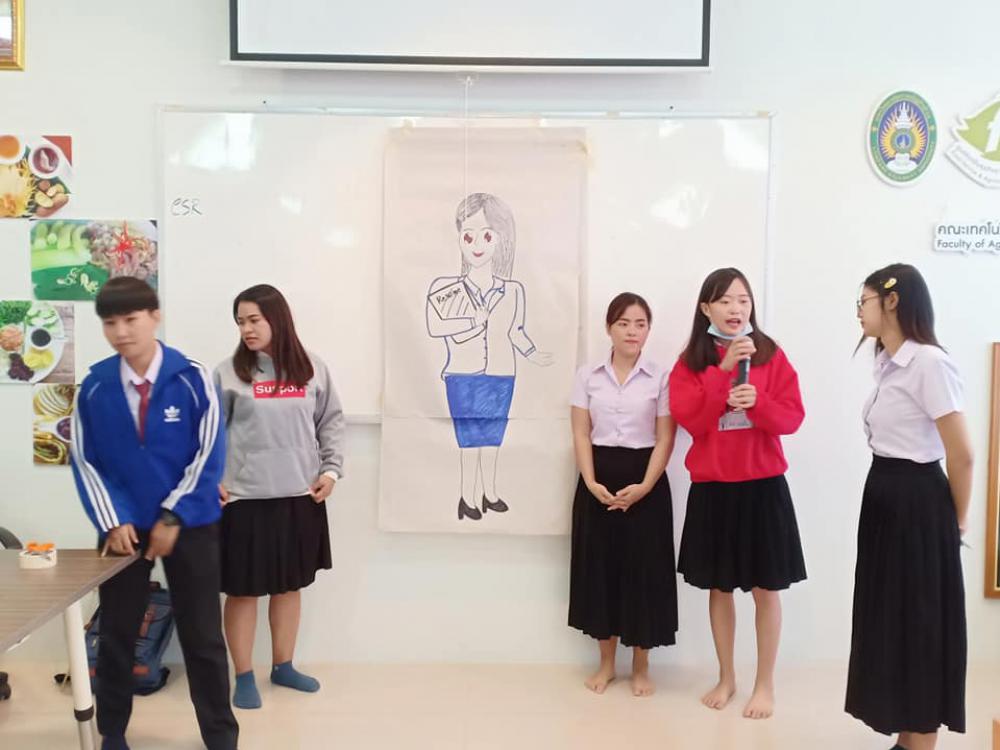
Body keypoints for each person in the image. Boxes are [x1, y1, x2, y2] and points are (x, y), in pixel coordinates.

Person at [70, 277, 238, 750]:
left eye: (131, 319)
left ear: (154, 316)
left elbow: (209, 453)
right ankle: (112, 732)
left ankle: (221, 737)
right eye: (110, 323)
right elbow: (85, 460)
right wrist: (112, 520)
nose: (121, 332)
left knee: (203, 635)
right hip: (121, 529)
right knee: (116, 632)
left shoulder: (192, 377)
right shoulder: (96, 386)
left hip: (190, 524)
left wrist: (171, 516)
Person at [668, 267, 806, 720]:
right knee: (719, 586)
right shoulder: (690, 362)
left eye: (743, 300)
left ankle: (764, 684)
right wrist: (722, 373)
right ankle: (726, 677)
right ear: (706, 308)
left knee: (767, 589)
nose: (735, 308)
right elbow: (690, 419)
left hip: (763, 488)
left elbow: (792, 418)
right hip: (714, 489)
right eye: (725, 300)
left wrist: (758, 404)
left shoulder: (771, 355)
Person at [845, 263, 972, 750]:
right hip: (886, 499)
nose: (859, 311)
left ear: (892, 300)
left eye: (864, 301)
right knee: (892, 620)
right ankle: (905, 736)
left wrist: (955, 522)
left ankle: (920, 741)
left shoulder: (929, 363)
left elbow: (962, 455)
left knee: (919, 623)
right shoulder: (889, 363)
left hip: (918, 505)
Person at [215, 284, 345, 710]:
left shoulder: (312, 369)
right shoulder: (228, 373)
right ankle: (243, 675)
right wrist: (211, 478)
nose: (246, 329)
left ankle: (283, 666)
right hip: (243, 499)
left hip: (298, 496)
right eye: (240, 322)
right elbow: (207, 432)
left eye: (254, 320)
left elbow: (331, 422)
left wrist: (331, 471)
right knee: (243, 591)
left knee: (289, 587)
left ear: (278, 319)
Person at [568, 292, 677, 697]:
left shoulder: (660, 377)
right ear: (609, 328)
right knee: (601, 570)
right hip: (597, 478)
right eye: (624, 323)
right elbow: (581, 432)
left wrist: (645, 486)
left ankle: (642, 667)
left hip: (645, 479)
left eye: (640, 324)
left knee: (643, 573)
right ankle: (606, 665)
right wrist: (590, 480)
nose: (632, 331)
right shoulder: (587, 376)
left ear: (648, 330)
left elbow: (665, 437)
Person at [425, 192, 552, 521]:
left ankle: (490, 494)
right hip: (462, 375)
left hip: (501, 373)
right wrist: (473, 320)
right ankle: (467, 498)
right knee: (469, 438)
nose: (477, 245)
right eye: (468, 236)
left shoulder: (513, 290)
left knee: (494, 436)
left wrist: (534, 354)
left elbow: (516, 331)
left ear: (501, 239)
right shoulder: (446, 288)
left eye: (487, 235)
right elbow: (435, 327)